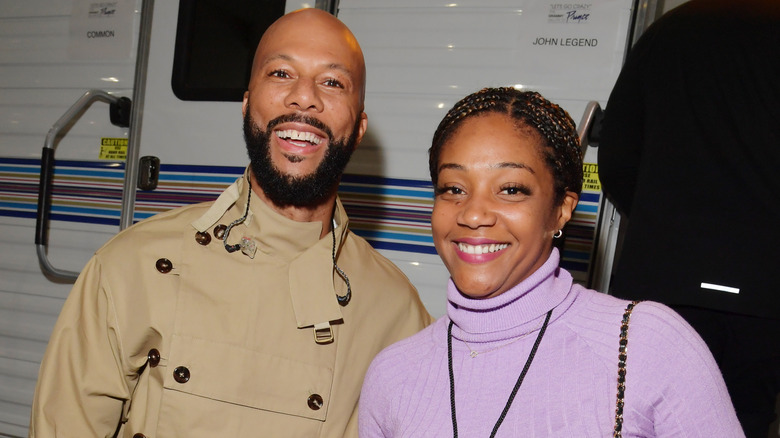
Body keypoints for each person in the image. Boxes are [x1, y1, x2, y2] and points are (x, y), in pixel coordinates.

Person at [29, 8, 431, 438]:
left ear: (359, 126)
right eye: (281, 73)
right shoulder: (133, 266)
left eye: (332, 82)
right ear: (246, 105)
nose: (304, 97)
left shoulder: (398, 314)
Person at [359, 87, 743, 437]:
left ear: (561, 210)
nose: (473, 214)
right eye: (453, 189)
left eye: (511, 189)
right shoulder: (392, 375)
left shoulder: (645, 345)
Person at [598, 1, 780, 436]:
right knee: (741, 418)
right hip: (760, 293)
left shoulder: (671, 29)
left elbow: (618, 157)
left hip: (661, 278)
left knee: (631, 415)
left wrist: (655, 223)